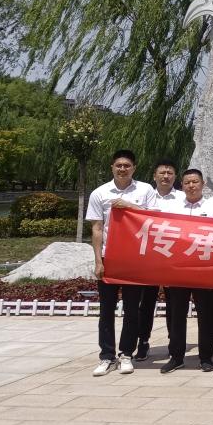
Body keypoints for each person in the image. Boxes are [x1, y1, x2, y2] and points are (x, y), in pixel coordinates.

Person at [88, 150, 158, 377]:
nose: (122, 169)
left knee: (132, 309)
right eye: (118, 165)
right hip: (109, 257)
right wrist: (98, 261)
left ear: (134, 168)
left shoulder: (145, 190)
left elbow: (154, 218)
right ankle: (107, 356)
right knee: (106, 309)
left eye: (127, 165)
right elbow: (97, 228)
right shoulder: (100, 193)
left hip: (134, 258)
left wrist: (129, 206)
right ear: (112, 167)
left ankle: (126, 353)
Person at [162, 169, 213, 374]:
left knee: (206, 314)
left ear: (203, 184)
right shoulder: (173, 207)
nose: (191, 186)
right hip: (178, 268)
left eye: (195, 182)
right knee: (176, 314)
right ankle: (176, 356)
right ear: (182, 185)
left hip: (204, 268)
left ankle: (206, 356)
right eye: (187, 182)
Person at [136, 158, 182, 362]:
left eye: (170, 173)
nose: (166, 176)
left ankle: (175, 341)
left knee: (174, 302)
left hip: (175, 257)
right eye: (162, 173)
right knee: (146, 302)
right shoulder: (144, 197)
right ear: (154, 176)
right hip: (149, 257)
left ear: (175, 176)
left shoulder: (182, 198)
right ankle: (143, 341)